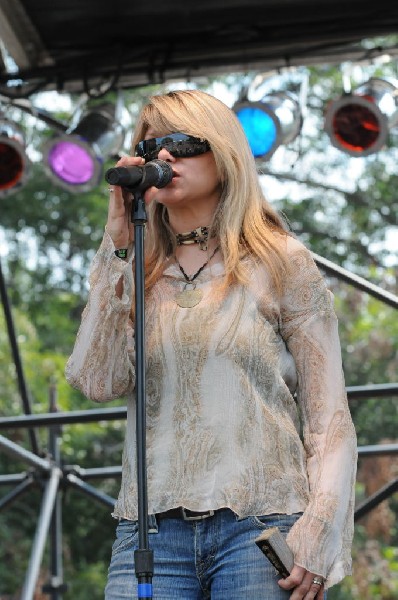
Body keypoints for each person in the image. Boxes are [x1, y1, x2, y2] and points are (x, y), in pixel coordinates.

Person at [65, 89, 357, 599]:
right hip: (149, 533)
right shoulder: (138, 269)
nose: (166, 156)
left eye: (183, 141)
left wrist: (319, 531)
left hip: (259, 526)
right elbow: (97, 379)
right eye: (151, 146)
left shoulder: (279, 260)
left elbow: (329, 416)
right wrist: (116, 244)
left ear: (223, 153)